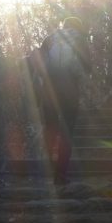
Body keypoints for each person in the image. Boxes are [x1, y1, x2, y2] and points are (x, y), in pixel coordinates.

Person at [38, 16, 91, 185]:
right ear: (78, 27)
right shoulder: (80, 40)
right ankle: (60, 175)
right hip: (69, 92)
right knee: (66, 133)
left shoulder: (50, 39)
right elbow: (87, 67)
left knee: (50, 130)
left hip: (48, 91)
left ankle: (47, 171)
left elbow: (38, 63)